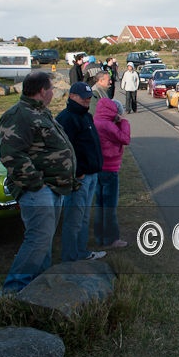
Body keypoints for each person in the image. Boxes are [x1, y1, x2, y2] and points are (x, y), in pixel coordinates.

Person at [0, 71, 78, 294]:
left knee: (45, 240)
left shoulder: (40, 112)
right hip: (37, 189)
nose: (53, 92)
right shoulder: (19, 115)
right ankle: (13, 291)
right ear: (42, 91)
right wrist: (37, 183)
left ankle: (39, 288)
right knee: (38, 239)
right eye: (51, 88)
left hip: (52, 187)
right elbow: (11, 155)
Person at [56, 82, 106, 262]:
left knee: (84, 217)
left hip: (92, 174)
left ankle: (82, 251)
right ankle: (70, 257)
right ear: (72, 96)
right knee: (74, 219)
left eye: (88, 97)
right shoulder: (67, 118)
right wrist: (77, 172)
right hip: (80, 178)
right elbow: (63, 151)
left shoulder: (86, 116)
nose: (86, 100)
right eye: (83, 97)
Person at [93, 98, 131, 248]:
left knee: (100, 203)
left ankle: (100, 237)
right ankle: (111, 239)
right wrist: (124, 123)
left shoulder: (96, 121)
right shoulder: (108, 125)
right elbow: (125, 139)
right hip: (109, 168)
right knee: (110, 205)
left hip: (98, 167)